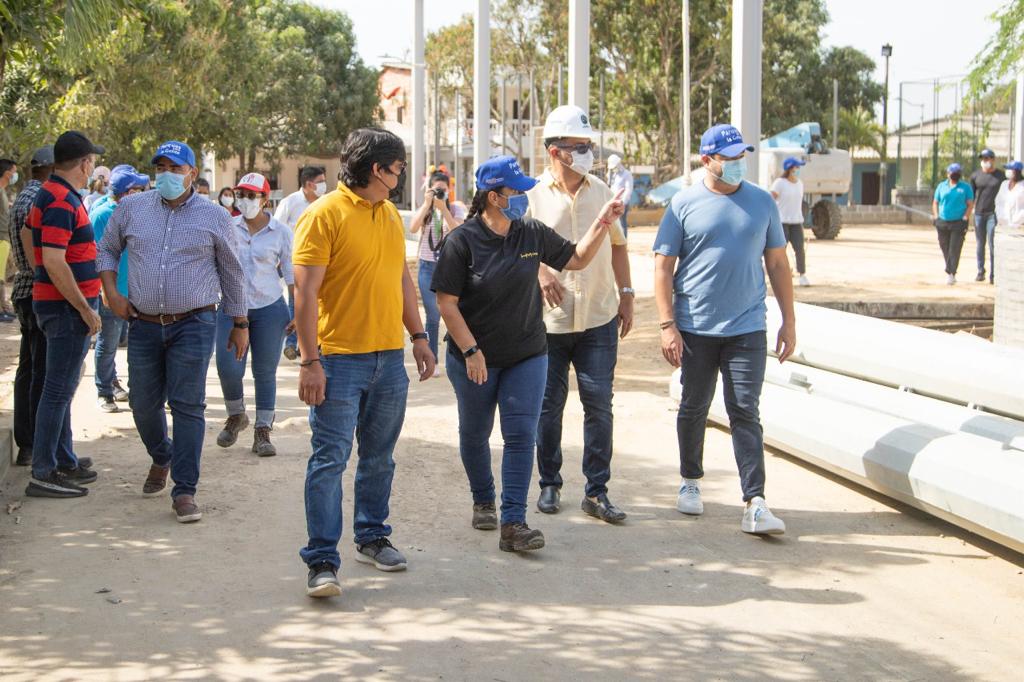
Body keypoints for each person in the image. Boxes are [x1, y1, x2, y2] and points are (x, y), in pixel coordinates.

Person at [432, 155, 625, 552]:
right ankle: (483, 497)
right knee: (475, 433)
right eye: (515, 190)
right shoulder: (461, 242)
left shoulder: (531, 233)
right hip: (474, 357)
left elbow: (578, 259)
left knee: (520, 436)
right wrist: (470, 350)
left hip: (527, 354)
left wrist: (604, 221)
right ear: (492, 197)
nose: (523, 196)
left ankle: (514, 523)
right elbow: (447, 303)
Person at [294, 128, 434, 598]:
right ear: (378, 170)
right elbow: (305, 293)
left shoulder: (391, 215)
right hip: (336, 362)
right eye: (398, 167)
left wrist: (418, 336)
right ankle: (321, 562)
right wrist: (310, 362)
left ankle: (372, 537)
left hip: (388, 361)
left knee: (379, 459)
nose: (401, 176)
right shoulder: (322, 216)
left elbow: (402, 282)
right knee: (329, 460)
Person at [653, 123, 796, 535]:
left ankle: (755, 501)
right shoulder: (683, 204)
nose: (737, 164)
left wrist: (789, 319)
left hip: (748, 326)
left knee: (744, 410)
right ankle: (690, 481)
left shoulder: (762, 203)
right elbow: (663, 268)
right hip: (695, 327)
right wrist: (668, 325)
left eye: (741, 157)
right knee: (694, 406)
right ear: (707, 160)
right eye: (728, 158)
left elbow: (778, 264)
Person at [98, 140, 248, 524]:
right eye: (160, 167)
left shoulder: (214, 216)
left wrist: (240, 323)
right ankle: (162, 454)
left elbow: (232, 271)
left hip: (194, 323)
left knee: (187, 405)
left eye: (175, 168)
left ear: (192, 174)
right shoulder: (132, 208)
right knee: (142, 404)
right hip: (143, 323)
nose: (166, 174)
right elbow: (107, 251)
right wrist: (112, 292)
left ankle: (184, 490)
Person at [527, 105, 633, 524]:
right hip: (549, 323)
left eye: (589, 145)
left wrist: (626, 295)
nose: (588, 152)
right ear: (555, 151)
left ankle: (597, 491)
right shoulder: (530, 197)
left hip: (598, 318)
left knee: (599, 406)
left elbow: (619, 245)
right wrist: (540, 271)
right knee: (548, 407)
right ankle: (550, 483)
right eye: (580, 146)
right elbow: (516, 247)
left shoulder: (603, 191)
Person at [24, 131, 105, 498]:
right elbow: (55, 259)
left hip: (56, 303)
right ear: (85, 163)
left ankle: (62, 459)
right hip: (65, 309)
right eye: (92, 162)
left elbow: (29, 235)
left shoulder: (54, 192)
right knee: (57, 390)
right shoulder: (60, 199)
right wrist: (85, 308)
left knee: (58, 387)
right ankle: (44, 471)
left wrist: (38, 270)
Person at [215, 172, 294, 457]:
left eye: (251, 196)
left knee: (264, 371)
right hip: (231, 308)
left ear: (264, 198)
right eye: (241, 195)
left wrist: (296, 311)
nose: (245, 201)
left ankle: (263, 430)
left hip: (269, 309)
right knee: (228, 367)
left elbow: (291, 274)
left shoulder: (281, 233)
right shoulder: (227, 227)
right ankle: (236, 415)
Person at [89, 164, 148, 412]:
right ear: (124, 191)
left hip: (138, 291)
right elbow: (98, 254)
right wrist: (106, 289)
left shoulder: (138, 213)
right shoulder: (103, 215)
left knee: (136, 345)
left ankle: (138, 391)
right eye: (137, 189)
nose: (142, 193)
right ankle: (105, 391)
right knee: (108, 341)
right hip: (113, 291)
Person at [9, 146, 54, 467]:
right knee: (41, 372)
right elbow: (39, 250)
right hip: (37, 289)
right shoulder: (39, 200)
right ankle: (38, 446)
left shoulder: (25, 197)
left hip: (25, 291)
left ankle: (27, 444)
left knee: (29, 369)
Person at [410, 171, 465, 373]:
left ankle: (456, 358)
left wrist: (444, 210)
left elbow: (459, 233)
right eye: (436, 190)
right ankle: (432, 359)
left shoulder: (457, 208)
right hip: (427, 267)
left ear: (449, 189)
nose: (440, 193)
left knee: (453, 313)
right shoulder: (426, 209)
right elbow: (413, 228)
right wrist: (427, 204)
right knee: (432, 316)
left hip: (449, 268)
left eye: (443, 189)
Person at [275, 165, 326, 361]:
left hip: (322, 262)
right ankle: (291, 343)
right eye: (320, 181)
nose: (323, 185)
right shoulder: (291, 203)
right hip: (297, 262)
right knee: (297, 303)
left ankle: (313, 345)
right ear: (308, 184)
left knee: (319, 303)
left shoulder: (325, 204)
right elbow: (277, 228)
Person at [932, 163, 974, 285]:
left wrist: (966, 217)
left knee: (954, 247)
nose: (954, 174)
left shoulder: (965, 187)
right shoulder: (941, 186)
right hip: (943, 221)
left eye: (957, 172)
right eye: (952, 172)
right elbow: (935, 202)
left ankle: (951, 272)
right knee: (944, 246)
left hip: (959, 222)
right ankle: (950, 268)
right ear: (948, 173)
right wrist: (936, 216)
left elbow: (970, 204)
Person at [770, 156, 810, 287]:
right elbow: (770, 200)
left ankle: (802, 275)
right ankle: (780, 273)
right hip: (782, 222)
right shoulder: (779, 183)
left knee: (799, 249)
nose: (798, 170)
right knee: (781, 250)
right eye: (796, 167)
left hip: (796, 222)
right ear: (790, 169)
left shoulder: (800, 183)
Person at [969, 149, 1005, 284]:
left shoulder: (1000, 176)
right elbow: (971, 196)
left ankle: (994, 274)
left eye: (987, 159)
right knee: (980, 244)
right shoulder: (975, 176)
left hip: (993, 214)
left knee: (992, 244)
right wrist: (969, 213)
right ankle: (980, 271)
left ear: (993, 160)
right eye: (983, 159)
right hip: (979, 214)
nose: (985, 162)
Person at [0, 157, 18, 321]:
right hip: (0, 237)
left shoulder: (3, 191)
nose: (15, 175)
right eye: (13, 172)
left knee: (3, 275)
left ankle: (3, 307)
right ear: (6, 173)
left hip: (4, 237)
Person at [606, 154, 634, 235]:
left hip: (622, 203)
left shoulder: (627, 174)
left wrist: (623, 202)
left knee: (622, 223)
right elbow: (609, 186)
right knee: (612, 224)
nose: (614, 168)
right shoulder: (612, 175)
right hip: (612, 202)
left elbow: (629, 189)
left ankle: (623, 244)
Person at [995, 160, 1024, 231]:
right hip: (1002, 225)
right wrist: (999, 216)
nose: (1007, 171)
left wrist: (1019, 220)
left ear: (1017, 171)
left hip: (1019, 226)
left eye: (1009, 169)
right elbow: (998, 201)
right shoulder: (1004, 184)